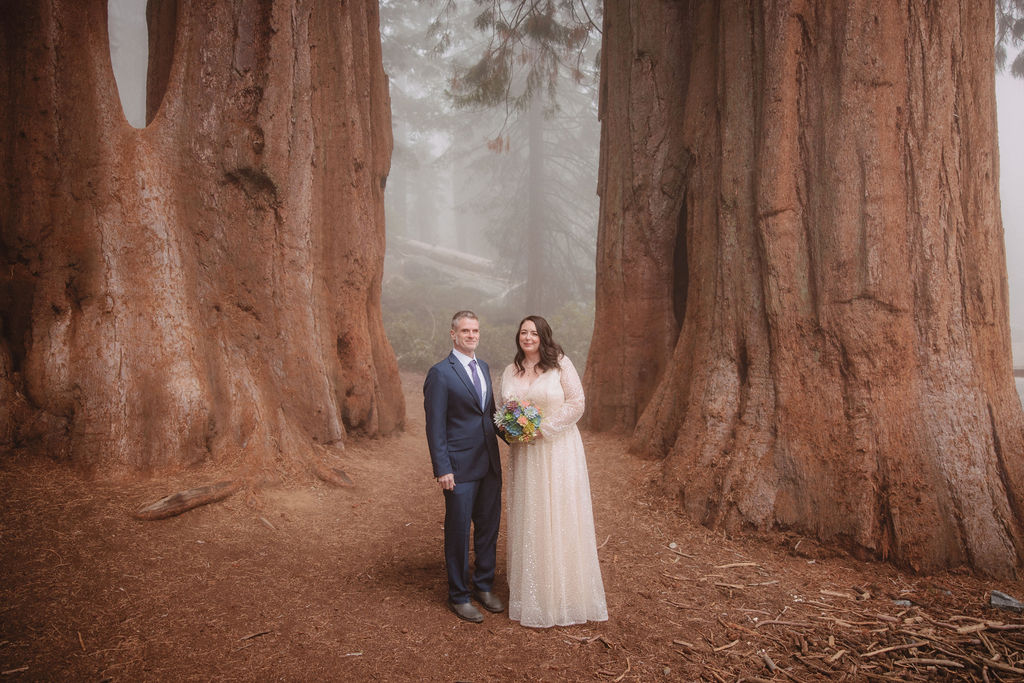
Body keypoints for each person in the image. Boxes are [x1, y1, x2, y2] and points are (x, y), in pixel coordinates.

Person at [498, 315, 608, 628]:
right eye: (523, 332)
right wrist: (514, 430)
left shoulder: (561, 364)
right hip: (526, 453)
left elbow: (577, 402)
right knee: (531, 516)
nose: (528, 337)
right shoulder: (511, 370)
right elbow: (506, 410)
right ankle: (532, 594)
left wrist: (543, 428)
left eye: (533, 332)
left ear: (544, 336)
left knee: (560, 513)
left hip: (558, 448)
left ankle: (567, 593)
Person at [424, 310, 504, 623]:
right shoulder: (440, 373)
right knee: (458, 533)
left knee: (488, 529)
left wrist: (521, 431)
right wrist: (443, 468)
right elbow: (435, 426)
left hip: (489, 465)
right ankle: (459, 595)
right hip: (458, 468)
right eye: (465, 331)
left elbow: (490, 415)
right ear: (453, 334)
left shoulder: (483, 367)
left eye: (475, 331)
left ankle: (483, 586)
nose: (471, 335)